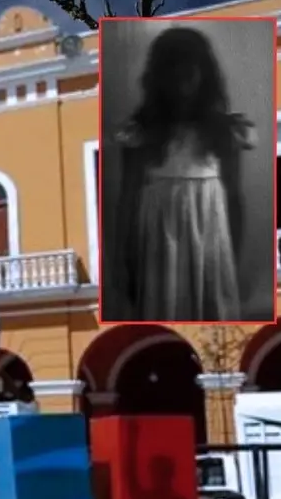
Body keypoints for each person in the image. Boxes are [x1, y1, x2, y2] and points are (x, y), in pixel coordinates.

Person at [104, 26, 253, 323]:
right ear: (160, 75)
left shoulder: (225, 131)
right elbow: (127, 198)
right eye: (173, 66)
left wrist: (233, 258)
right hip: (159, 233)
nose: (182, 75)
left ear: (204, 71)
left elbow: (235, 196)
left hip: (210, 229)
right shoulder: (140, 132)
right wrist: (119, 260)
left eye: (191, 65)